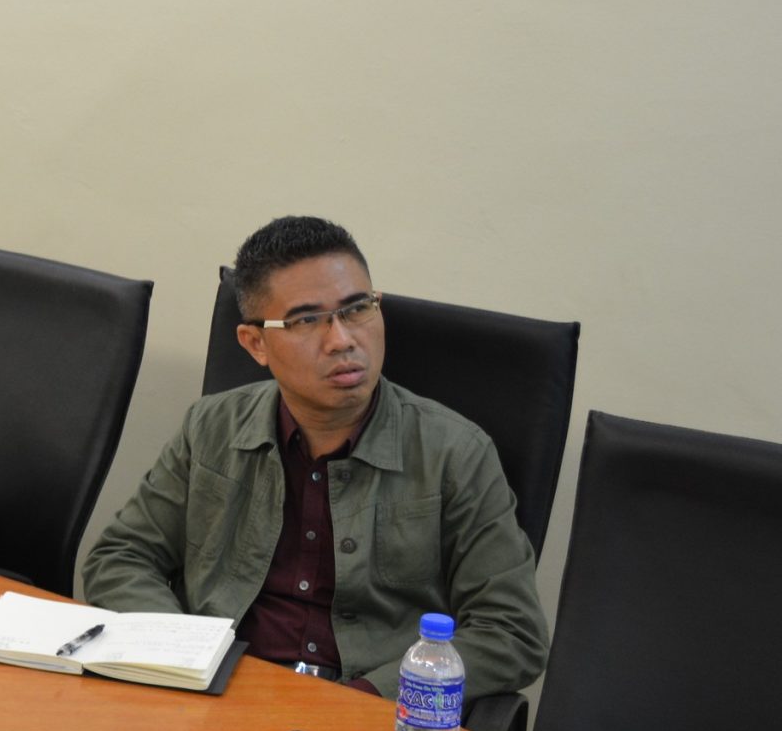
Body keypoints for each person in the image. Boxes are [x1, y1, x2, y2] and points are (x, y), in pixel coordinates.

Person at [79, 216, 548, 699]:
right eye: (306, 320)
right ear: (255, 343)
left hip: (370, 712)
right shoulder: (211, 427)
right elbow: (122, 557)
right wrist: (184, 653)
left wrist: (369, 698)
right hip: (217, 693)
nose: (342, 339)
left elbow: (512, 632)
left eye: (357, 309)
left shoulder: (455, 454)